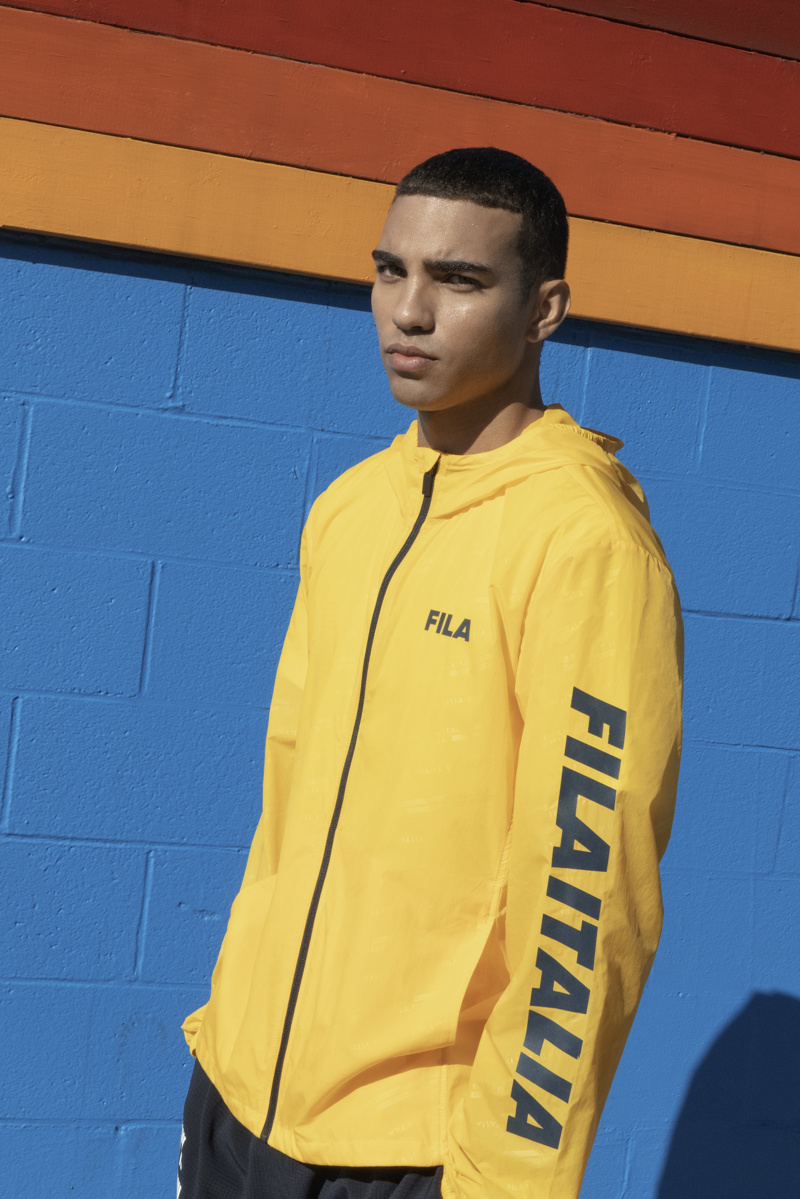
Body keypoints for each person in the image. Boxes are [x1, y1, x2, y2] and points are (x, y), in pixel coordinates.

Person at [177, 147, 683, 1199]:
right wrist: (226, 1033)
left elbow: (588, 895)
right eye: (389, 270)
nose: (408, 311)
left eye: (458, 280)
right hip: (240, 1095)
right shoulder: (350, 506)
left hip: (413, 1152)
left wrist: (510, 1174)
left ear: (543, 310)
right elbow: (287, 804)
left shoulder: (584, 543)